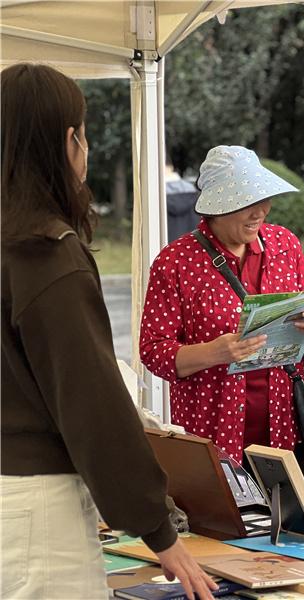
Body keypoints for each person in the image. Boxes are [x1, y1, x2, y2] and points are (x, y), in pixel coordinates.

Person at [1, 63, 217, 600]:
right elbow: (92, 404)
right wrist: (158, 529)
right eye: (84, 132)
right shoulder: (46, 255)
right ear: (68, 141)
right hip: (35, 506)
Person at [139, 145, 304, 508]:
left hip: (285, 432)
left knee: (299, 543)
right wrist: (214, 352)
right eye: (247, 201)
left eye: (263, 199)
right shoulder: (176, 262)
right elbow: (153, 351)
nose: (259, 210)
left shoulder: (284, 245)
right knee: (223, 546)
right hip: (214, 436)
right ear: (216, 205)